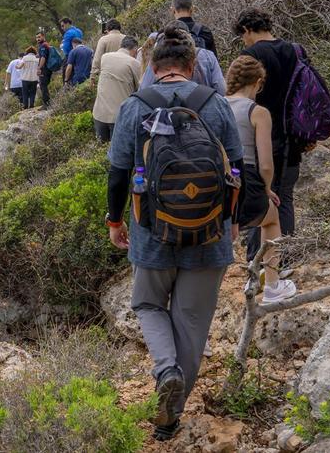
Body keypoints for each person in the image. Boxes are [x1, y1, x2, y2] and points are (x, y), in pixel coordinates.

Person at [105, 23, 244, 441]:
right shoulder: (215, 104)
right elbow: (238, 170)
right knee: (192, 321)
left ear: (151, 64)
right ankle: (171, 416)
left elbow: (117, 172)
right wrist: (232, 223)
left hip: (151, 231)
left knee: (148, 305)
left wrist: (115, 221)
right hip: (210, 234)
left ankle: (165, 371)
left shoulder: (135, 105)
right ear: (192, 63)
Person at [234, 8, 304, 264]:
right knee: (285, 198)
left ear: (247, 30)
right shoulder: (295, 50)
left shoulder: (251, 55)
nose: (244, 41)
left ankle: (258, 261)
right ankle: (283, 260)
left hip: (263, 134)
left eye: (243, 36)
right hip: (293, 135)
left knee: (262, 198)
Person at [225, 56, 297, 303]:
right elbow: (265, 163)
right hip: (247, 179)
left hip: (218, 180)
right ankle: (273, 286)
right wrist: (267, 189)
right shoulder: (258, 112)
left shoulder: (216, 105)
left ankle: (252, 277)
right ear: (257, 83)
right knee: (271, 218)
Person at [139, 33, 226, 95]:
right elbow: (221, 88)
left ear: (154, 69)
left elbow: (143, 87)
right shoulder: (216, 103)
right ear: (191, 67)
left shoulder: (136, 104)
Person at [92, 35, 142, 142]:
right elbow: (141, 88)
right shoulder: (134, 63)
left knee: (100, 149)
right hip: (120, 117)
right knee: (118, 155)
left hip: (99, 114)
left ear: (121, 46)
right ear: (134, 49)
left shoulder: (105, 57)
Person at [36, 32, 61, 108]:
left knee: (43, 85)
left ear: (43, 36)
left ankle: (46, 104)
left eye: (39, 37)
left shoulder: (43, 45)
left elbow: (43, 58)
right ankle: (47, 103)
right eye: (37, 37)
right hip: (47, 68)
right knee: (43, 85)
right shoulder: (44, 45)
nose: (38, 39)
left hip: (45, 69)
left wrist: (39, 68)